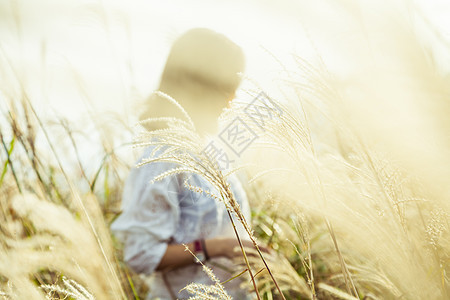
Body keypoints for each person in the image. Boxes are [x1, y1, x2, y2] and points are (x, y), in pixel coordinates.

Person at [111, 28, 261, 299]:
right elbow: (141, 255)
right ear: (198, 87)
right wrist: (216, 247)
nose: (233, 99)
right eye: (227, 88)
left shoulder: (211, 153)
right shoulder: (161, 160)